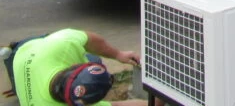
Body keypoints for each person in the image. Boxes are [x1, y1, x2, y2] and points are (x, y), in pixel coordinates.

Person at [3, 29, 163, 106]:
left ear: (73, 65)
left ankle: (19, 85)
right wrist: (163, 94)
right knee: (95, 60)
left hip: (26, 51)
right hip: (24, 57)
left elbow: (90, 39)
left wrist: (118, 54)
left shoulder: (61, 44)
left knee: (93, 57)